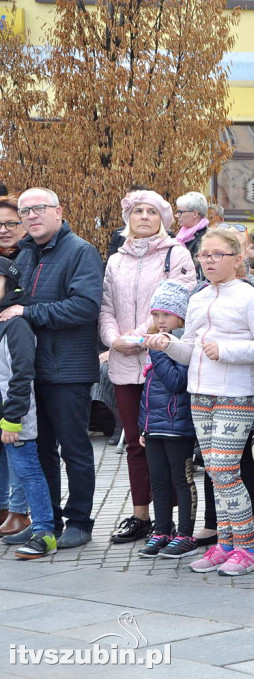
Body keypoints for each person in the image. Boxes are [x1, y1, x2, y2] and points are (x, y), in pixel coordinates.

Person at [146, 227, 254, 576]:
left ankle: (248, 549)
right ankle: (226, 544)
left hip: (237, 393)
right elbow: (189, 350)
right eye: (204, 255)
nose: (208, 261)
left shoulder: (250, 297)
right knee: (214, 471)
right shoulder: (198, 298)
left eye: (217, 255)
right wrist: (166, 344)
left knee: (224, 469)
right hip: (200, 392)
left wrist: (226, 351)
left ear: (237, 260)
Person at [4, 188, 103, 549]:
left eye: (39, 209)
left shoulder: (81, 251)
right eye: (25, 211)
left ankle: (80, 521)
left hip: (68, 371)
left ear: (58, 211)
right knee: (41, 449)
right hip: (32, 371)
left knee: (74, 450)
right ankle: (47, 522)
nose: (31, 216)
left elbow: (85, 307)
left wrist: (28, 313)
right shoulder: (26, 255)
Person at [100, 190, 197, 545]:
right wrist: (114, 339)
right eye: (137, 211)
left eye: (151, 212)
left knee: (167, 440)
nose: (143, 217)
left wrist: (138, 336)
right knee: (135, 443)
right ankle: (142, 515)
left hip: (163, 358)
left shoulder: (176, 253)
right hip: (125, 361)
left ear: (163, 219)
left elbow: (176, 303)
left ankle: (169, 520)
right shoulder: (115, 260)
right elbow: (106, 306)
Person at [136, 280, 200, 559]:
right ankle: (162, 530)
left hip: (178, 427)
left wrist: (158, 352)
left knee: (181, 479)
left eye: (167, 315)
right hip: (154, 428)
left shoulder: (183, 343)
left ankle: (186, 533)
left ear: (181, 317)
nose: (160, 322)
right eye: (156, 315)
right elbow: (148, 393)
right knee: (158, 481)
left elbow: (176, 382)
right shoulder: (157, 342)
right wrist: (143, 426)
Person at [0, 257, 56, 560]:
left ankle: (44, 532)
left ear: (8, 284)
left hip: (15, 416)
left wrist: (12, 419)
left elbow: (22, 374)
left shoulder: (16, 325)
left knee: (28, 472)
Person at [0, 195, 28, 538]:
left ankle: (20, 510)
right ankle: (6, 507)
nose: (4, 231)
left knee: (18, 445)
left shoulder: (31, 257)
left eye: (10, 223)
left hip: (19, 371)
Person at [174, 191, 210, 259]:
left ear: (195, 213)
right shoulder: (181, 235)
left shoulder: (205, 239)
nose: (177, 216)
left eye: (180, 212)